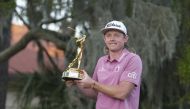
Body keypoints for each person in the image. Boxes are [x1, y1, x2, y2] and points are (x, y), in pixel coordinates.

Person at [66, 20, 142, 109]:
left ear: (125, 39)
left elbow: (122, 93)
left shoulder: (133, 59)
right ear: (105, 39)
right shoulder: (101, 61)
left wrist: (92, 84)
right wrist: (78, 81)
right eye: (108, 35)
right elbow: (96, 93)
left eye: (116, 35)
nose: (112, 38)